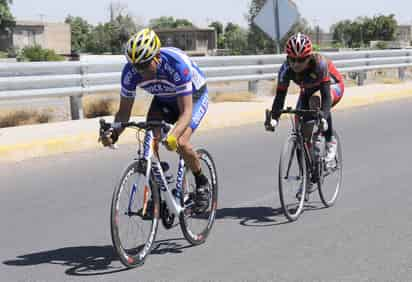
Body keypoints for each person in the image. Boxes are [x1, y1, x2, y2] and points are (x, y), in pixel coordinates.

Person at [99, 28, 210, 212]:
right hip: (164, 99)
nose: (139, 71)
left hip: (194, 97)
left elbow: (186, 112)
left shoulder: (176, 65)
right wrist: (113, 133)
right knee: (149, 141)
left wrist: (173, 135)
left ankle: (201, 180)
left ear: (157, 57)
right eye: (135, 66)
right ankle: (161, 187)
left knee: (181, 142)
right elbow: (124, 113)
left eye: (143, 65)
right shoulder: (130, 72)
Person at [266, 32, 344, 163]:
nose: (296, 64)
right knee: (300, 128)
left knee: (316, 100)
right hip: (307, 90)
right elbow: (280, 96)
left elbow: (325, 96)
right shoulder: (285, 69)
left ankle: (330, 139)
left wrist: (323, 118)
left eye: (301, 60)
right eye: (292, 59)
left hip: (332, 87)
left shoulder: (320, 64)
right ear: (287, 58)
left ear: (309, 57)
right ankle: (308, 175)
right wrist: (274, 118)